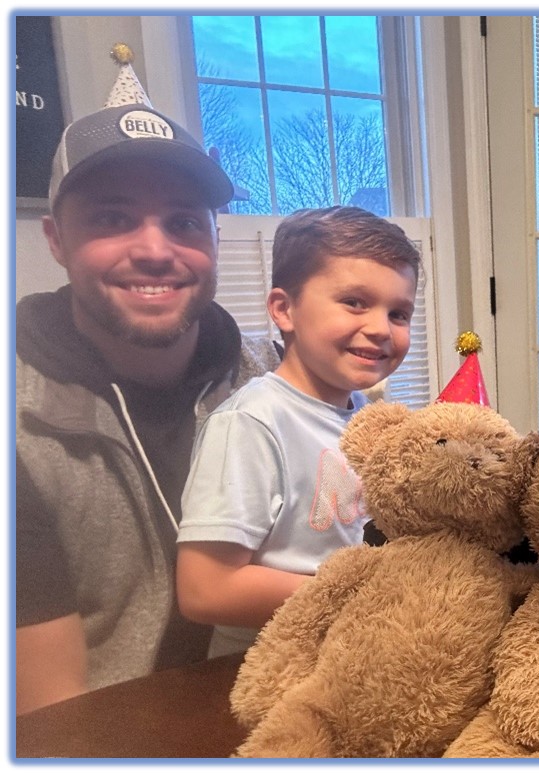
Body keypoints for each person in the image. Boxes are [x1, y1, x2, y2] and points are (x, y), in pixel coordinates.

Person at [15, 45, 280, 715]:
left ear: (216, 241)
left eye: (185, 221)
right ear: (56, 239)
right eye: (112, 217)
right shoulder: (19, 429)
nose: (157, 248)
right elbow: (55, 717)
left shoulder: (279, 381)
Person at [175, 206, 421, 657]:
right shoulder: (251, 422)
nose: (380, 329)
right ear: (284, 310)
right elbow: (205, 589)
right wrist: (364, 597)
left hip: (355, 656)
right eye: (354, 302)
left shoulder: (366, 417)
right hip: (268, 670)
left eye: (399, 313)